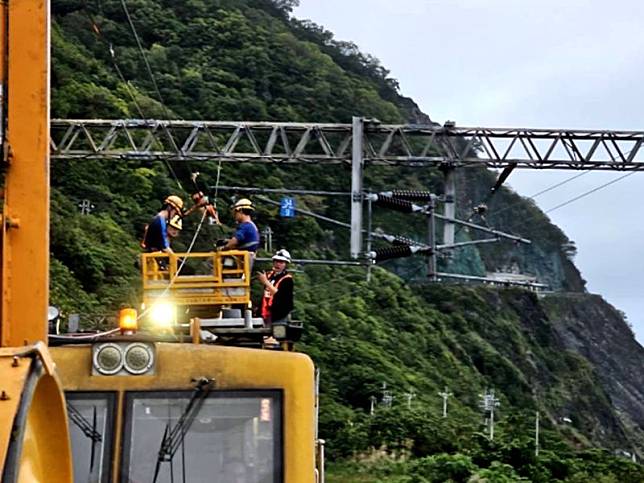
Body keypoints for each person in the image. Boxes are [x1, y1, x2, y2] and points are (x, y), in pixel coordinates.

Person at [258, 249, 294, 326]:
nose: (278, 264)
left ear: (285, 264)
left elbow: (279, 295)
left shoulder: (287, 280)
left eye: (281, 262)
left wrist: (266, 282)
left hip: (280, 314)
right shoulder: (269, 276)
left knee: (278, 335)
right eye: (276, 261)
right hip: (266, 312)